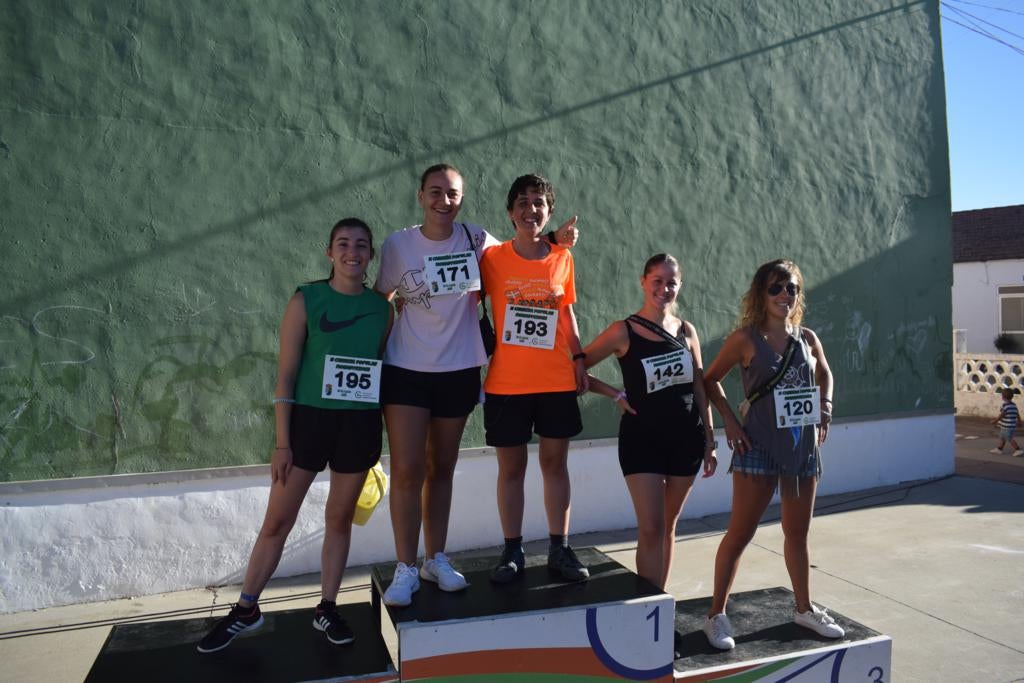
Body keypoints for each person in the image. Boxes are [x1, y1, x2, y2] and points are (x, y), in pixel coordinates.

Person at [374, 164, 578, 606]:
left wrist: (557, 242)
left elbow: (524, 252)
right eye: (435, 192)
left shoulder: (477, 241)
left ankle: (436, 558)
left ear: (461, 199)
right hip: (406, 370)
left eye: (452, 194)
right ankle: (406, 568)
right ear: (420, 195)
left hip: (460, 371)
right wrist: (368, 356)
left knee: (440, 470)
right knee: (408, 471)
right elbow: (381, 300)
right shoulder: (398, 245)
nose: (443, 201)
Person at [197, 218, 393, 653]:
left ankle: (327, 607)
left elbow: (375, 365)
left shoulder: (383, 309)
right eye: (343, 244)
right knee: (277, 522)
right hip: (307, 425)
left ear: (371, 255)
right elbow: (285, 376)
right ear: (329, 252)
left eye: (362, 245)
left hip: (358, 427)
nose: (352, 252)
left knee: (339, 520)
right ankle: (246, 609)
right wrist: (282, 442)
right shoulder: (307, 299)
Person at [700, 259, 842, 651]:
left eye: (792, 288)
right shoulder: (745, 339)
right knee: (741, 533)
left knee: (797, 534)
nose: (784, 295)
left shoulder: (808, 337)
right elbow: (708, 379)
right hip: (757, 446)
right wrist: (728, 421)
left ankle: (803, 608)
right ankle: (716, 616)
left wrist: (825, 408)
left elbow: (825, 373)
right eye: (776, 288)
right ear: (761, 294)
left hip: (801, 448)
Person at [581, 254, 717, 590]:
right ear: (643, 282)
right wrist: (613, 393)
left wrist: (710, 439)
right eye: (657, 280)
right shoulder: (622, 330)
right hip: (642, 438)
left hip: (686, 438)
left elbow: (699, 385)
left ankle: (659, 601)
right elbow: (576, 367)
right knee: (651, 527)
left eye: (671, 281)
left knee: (668, 526)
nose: (664, 288)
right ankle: (647, 608)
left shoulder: (687, 331)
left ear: (680, 286)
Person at [480, 173, 589, 584]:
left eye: (539, 202)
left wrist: (579, 357)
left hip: (557, 380)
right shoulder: (492, 259)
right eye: (523, 203)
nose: (531, 210)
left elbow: (567, 312)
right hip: (506, 383)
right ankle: (512, 552)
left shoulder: (562, 257)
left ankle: (559, 549)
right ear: (510, 212)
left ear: (549, 211)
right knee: (511, 470)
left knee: (554, 465)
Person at [989, 387, 1022, 456]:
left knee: (1009, 438)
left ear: (1003, 397)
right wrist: (1019, 421)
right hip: (1010, 425)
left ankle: (1018, 449)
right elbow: (1017, 413)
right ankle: (999, 449)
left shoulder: (1004, 405)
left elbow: (1002, 415)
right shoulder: (1013, 405)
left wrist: (995, 421)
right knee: (1003, 437)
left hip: (1007, 426)